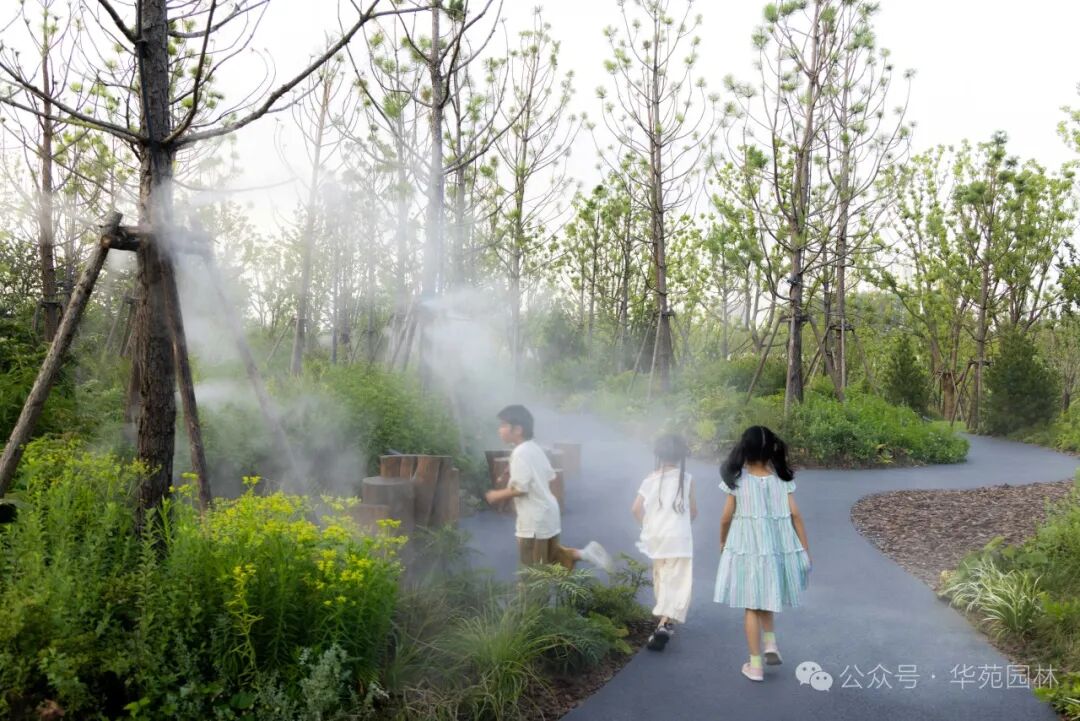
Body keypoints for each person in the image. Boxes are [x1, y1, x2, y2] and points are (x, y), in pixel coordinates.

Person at [713, 425, 812, 682]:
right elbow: (796, 515)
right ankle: (770, 644)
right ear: (770, 452)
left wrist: (722, 541)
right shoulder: (782, 481)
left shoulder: (737, 482)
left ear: (745, 450)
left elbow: (725, 518)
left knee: (751, 606)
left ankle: (755, 665)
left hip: (747, 551)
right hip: (773, 552)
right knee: (766, 597)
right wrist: (804, 550)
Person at [485, 404, 613, 573]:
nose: (499, 429)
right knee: (551, 557)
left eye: (503, 425)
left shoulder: (520, 453)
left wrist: (496, 495)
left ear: (518, 429)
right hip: (548, 514)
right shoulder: (533, 448)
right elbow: (550, 476)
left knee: (532, 573)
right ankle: (584, 554)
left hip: (533, 521)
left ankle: (536, 594)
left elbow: (520, 489)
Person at [632, 433, 697, 651]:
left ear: (658, 454)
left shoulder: (650, 479)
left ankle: (663, 619)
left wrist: (647, 526)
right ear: (680, 455)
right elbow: (693, 512)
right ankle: (665, 623)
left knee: (661, 576)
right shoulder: (687, 479)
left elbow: (636, 509)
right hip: (679, 538)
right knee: (678, 580)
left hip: (657, 537)